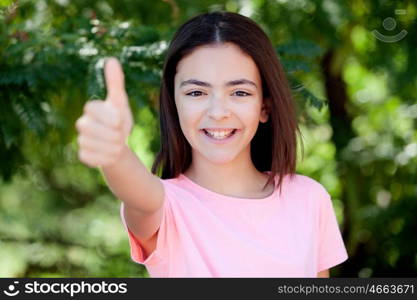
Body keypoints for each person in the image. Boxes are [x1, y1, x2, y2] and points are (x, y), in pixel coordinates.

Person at [75, 11, 348, 277]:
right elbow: (138, 195)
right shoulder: (165, 207)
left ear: (264, 106)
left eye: (240, 92)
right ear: (174, 104)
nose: (218, 111)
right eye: (196, 92)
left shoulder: (309, 199)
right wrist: (114, 153)